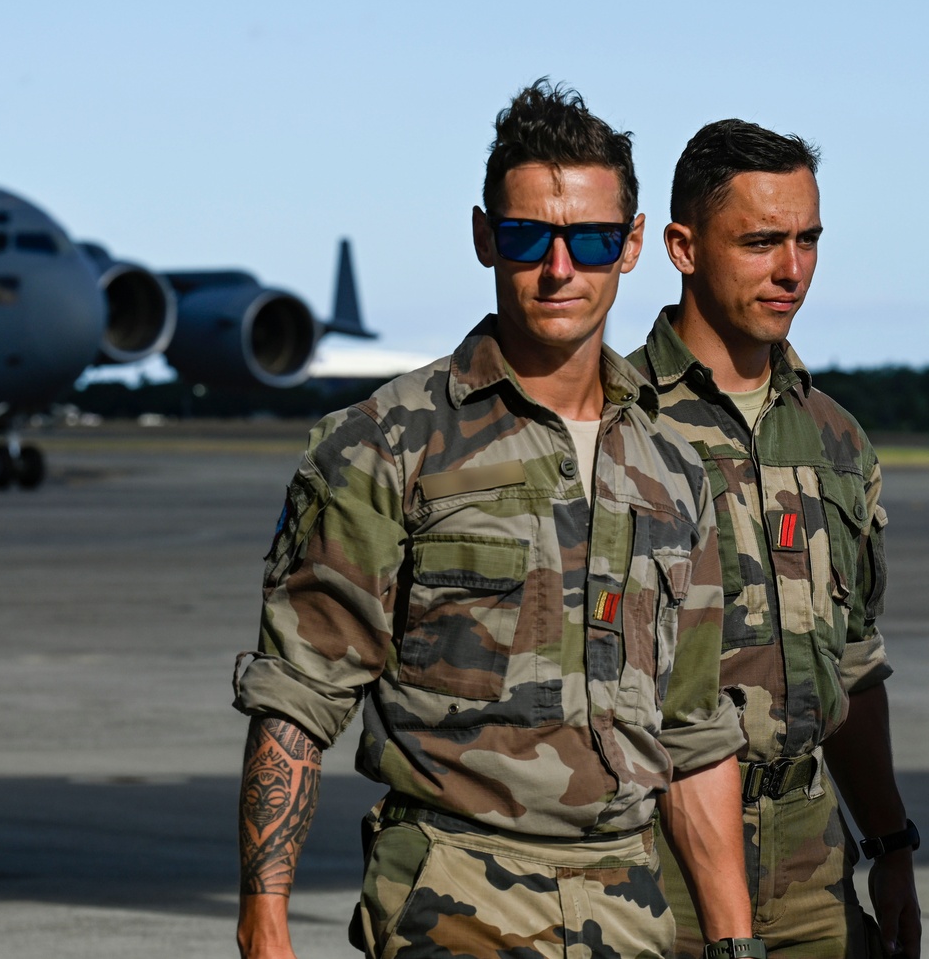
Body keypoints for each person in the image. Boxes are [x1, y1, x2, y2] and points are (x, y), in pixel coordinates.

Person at [233, 81, 761, 959]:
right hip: (452, 902)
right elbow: (298, 697)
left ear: (631, 246)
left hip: (629, 911)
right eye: (527, 237)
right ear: (484, 237)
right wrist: (265, 922)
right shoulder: (388, 444)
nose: (560, 269)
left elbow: (694, 735)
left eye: (590, 240)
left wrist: (736, 943)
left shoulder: (676, 472)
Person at [628, 119, 921, 958]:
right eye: (761, 242)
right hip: (652, 868)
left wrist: (892, 845)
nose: (791, 269)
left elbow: (854, 664)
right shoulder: (615, 427)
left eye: (807, 240)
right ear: (682, 246)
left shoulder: (835, 440)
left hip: (812, 868)